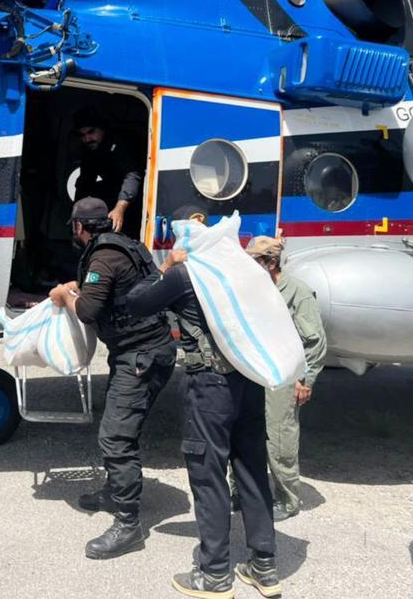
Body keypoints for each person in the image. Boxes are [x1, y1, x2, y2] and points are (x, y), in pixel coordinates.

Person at [126, 214, 281, 599]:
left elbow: (137, 303)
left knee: (208, 473)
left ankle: (214, 574)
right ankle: (264, 566)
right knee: (251, 468)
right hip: (249, 379)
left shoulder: (186, 274)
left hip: (211, 386)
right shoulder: (241, 270)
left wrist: (165, 265)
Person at [49, 197, 176, 559]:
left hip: (141, 355)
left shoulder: (103, 256)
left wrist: (64, 295)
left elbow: (89, 310)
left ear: (79, 226)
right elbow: (114, 287)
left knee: (116, 437)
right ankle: (112, 492)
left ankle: (128, 525)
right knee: (116, 425)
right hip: (143, 351)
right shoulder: (124, 245)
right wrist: (79, 285)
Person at [246, 236, 327, 522]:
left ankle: (287, 498)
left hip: (283, 375)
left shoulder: (297, 292)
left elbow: (315, 341)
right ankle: (241, 491)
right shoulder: (253, 289)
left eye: (255, 261)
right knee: (245, 434)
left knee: (280, 438)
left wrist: (305, 379)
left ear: (271, 263)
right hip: (254, 372)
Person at [72, 105, 142, 233]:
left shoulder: (119, 142)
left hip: (134, 194)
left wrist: (120, 207)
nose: (87, 139)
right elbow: (86, 180)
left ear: (103, 129)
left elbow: (132, 174)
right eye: (82, 135)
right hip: (112, 188)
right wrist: (77, 212)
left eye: (91, 132)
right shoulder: (88, 149)